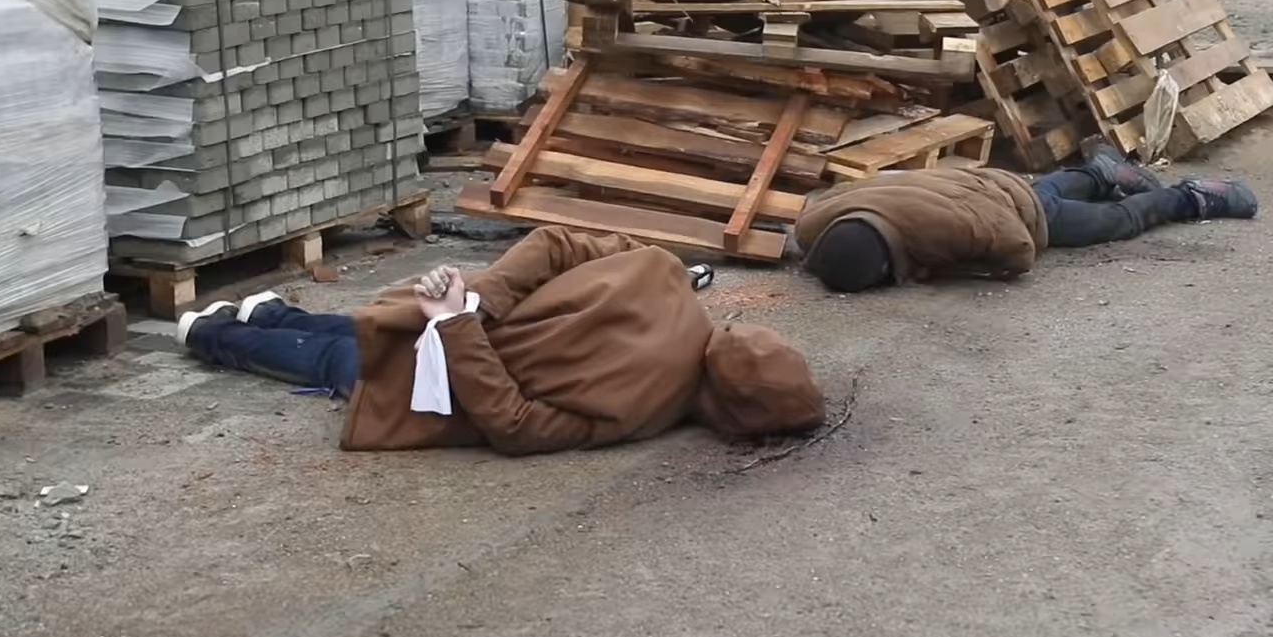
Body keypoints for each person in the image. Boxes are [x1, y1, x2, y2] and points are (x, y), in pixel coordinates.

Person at [174, 225, 826, 454]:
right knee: (335, 359)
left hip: (446, 319)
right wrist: (463, 320)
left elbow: (556, 243)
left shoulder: (666, 275)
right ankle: (213, 334)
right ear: (729, 417)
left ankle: (265, 313)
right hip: (437, 377)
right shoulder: (640, 412)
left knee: (370, 331)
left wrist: (480, 301)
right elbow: (512, 425)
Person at [793, 147, 1260, 293]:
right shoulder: (813, 223)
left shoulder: (949, 231)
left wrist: (951, 271)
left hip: (1014, 209)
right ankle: (1098, 170)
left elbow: (1018, 251)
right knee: (1044, 187)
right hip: (979, 179)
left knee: (1113, 221)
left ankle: (1188, 197)